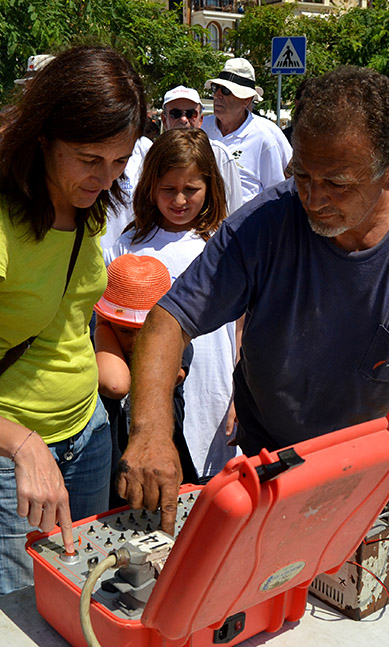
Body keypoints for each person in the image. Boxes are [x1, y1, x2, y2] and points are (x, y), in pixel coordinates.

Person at [116, 66, 389, 533]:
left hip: (367, 460)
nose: (312, 197)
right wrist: (150, 431)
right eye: (302, 175)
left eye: (337, 183)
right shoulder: (263, 224)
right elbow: (168, 320)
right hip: (267, 454)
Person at [0, 45, 146, 605]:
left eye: (119, 161)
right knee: (18, 618)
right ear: (43, 137)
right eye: (90, 158)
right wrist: (22, 445)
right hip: (1, 457)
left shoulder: (87, 199)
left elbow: (73, 317)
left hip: (86, 436)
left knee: (83, 601)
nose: (106, 177)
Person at [106, 128, 238, 479]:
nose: (179, 200)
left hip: (215, 392)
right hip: (150, 400)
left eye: (191, 190)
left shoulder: (225, 244)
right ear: (150, 186)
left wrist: (241, 390)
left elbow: (245, 323)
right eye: (168, 189)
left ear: (210, 187)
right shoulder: (128, 245)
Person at [93, 254, 197, 489]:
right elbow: (115, 384)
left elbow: (122, 385)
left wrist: (106, 325)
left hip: (160, 470)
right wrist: (101, 326)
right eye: (125, 330)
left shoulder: (178, 346)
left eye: (145, 330)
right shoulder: (96, 345)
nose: (136, 342)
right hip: (111, 480)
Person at [201, 58, 291, 205]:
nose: (217, 95)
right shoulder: (202, 127)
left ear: (246, 100)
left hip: (245, 225)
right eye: (215, 88)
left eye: (226, 91)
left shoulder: (265, 136)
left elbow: (275, 193)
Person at [161, 85, 243, 215]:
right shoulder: (154, 155)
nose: (183, 119)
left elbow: (235, 210)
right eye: (175, 113)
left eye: (191, 114)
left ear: (201, 120)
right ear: (164, 120)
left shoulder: (220, 155)